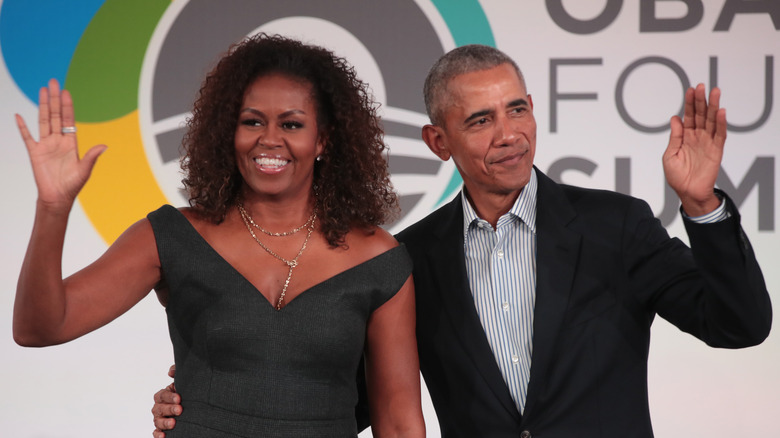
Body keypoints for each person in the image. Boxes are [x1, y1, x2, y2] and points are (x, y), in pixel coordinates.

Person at [152, 44, 772, 437]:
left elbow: (739, 324)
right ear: (438, 142)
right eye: (481, 120)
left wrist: (701, 205)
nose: (509, 135)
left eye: (517, 109)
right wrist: (208, 401)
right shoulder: (408, 258)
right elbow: (356, 405)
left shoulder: (616, 226)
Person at [13, 34, 425, 438]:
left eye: (292, 124)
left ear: (323, 139)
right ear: (228, 132)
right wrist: (53, 208)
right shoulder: (172, 236)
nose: (269, 139)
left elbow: (400, 422)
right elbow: (41, 327)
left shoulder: (377, 260)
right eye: (251, 122)